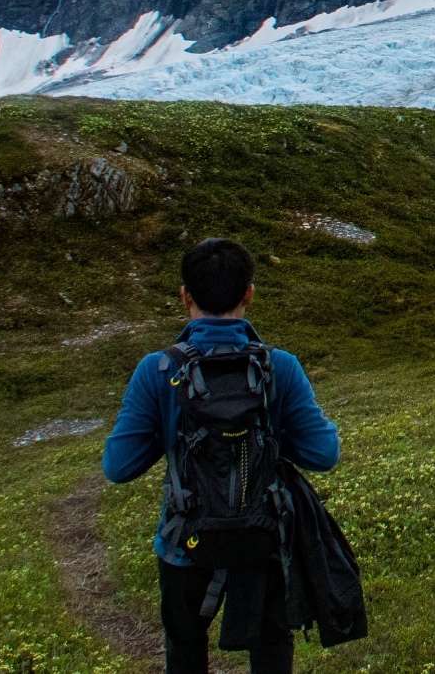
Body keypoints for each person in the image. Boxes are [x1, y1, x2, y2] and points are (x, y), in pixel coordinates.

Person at [102, 238, 342, 674]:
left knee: (185, 650)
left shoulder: (157, 371)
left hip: (184, 543)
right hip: (264, 540)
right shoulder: (280, 367)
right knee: (271, 649)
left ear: (185, 296)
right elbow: (324, 453)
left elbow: (118, 467)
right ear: (249, 292)